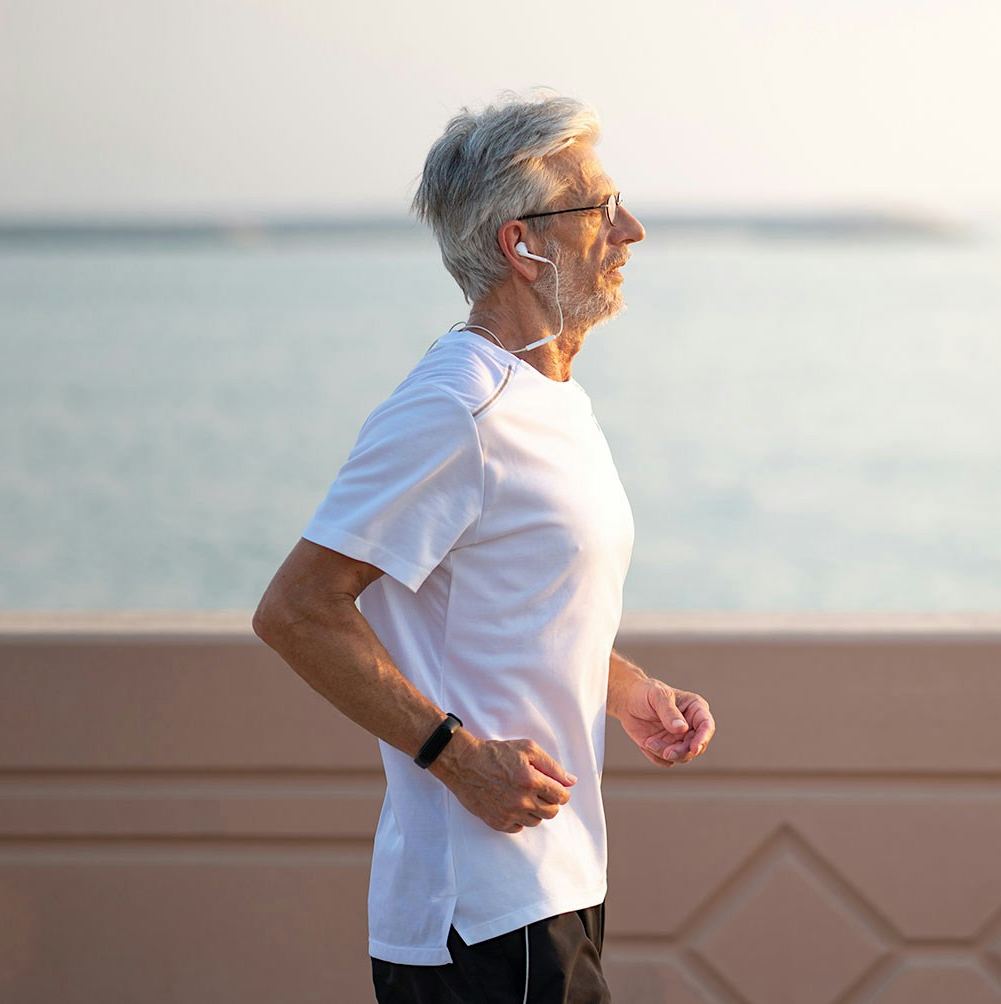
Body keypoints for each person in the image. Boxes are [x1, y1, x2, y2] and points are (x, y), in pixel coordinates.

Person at [252, 90, 716, 1004]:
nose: (630, 231)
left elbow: (515, 603)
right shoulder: (455, 405)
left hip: (562, 880)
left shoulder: (549, 397)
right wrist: (458, 758)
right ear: (522, 243)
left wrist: (627, 691)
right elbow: (297, 610)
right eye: (600, 208)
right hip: (480, 914)